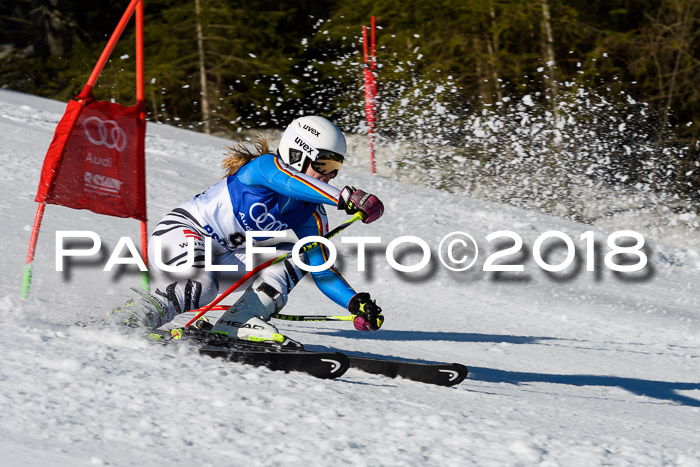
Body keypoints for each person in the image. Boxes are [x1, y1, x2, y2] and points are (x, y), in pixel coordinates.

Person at [115, 116, 384, 346]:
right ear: (297, 154)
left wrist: (355, 303)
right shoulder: (265, 167)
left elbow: (321, 271)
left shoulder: (310, 213)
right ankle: (136, 316)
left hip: (225, 257)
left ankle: (238, 322)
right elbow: (289, 182)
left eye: (335, 168)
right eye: (324, 164)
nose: (330, 175)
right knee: (202, 287)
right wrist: (346, 197)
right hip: (181, 233)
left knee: (297, 255)